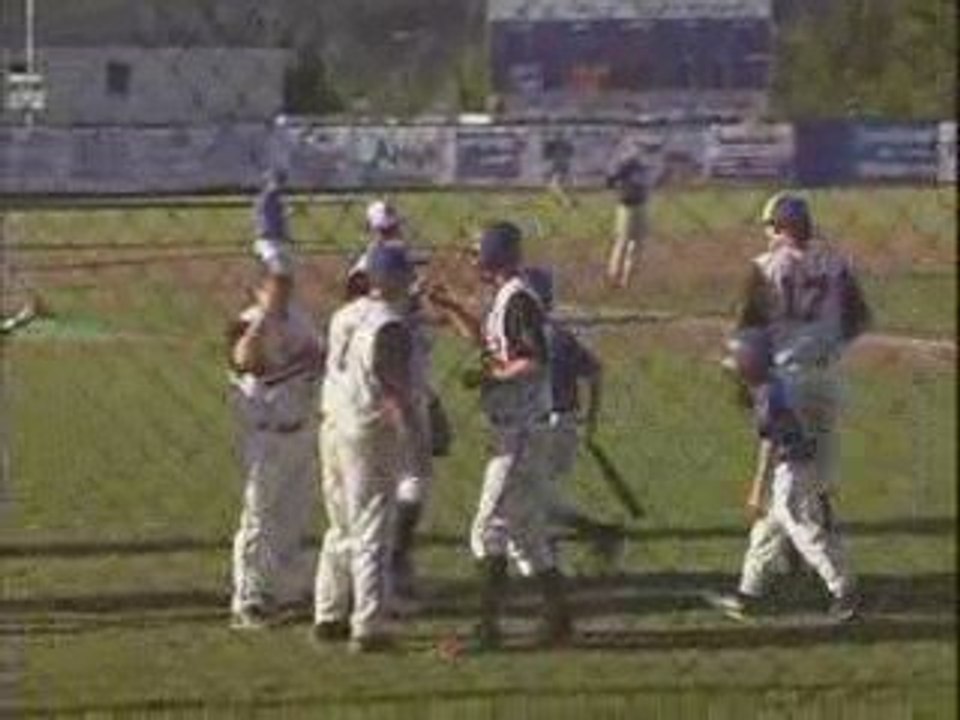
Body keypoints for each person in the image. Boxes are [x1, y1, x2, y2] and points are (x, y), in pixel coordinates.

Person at [712, 193, 872, 622]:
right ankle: (751, 592)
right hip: (828, 380)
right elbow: (858, 320)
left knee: (788, 499)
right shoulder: (836, 264)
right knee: (792, 491)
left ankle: (844, 588)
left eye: (769, 227)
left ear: (780, 228)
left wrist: (743, 371)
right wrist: (822, 341)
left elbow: (745, 336)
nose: (766, 235)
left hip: (787, 385)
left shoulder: (765, 268)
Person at [427, 222, 573, 650]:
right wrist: (452, 307)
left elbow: (533, 361)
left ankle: (486, 630)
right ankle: (559, 619)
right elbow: (490, 344)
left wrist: (491, 375)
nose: (472, 259)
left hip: (522, 430)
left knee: (487, 530)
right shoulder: (506, 298)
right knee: (525, 533)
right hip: (518, 427)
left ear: (492, 254)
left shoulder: (519, 299)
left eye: (476, 253)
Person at [312, 243, 421, 653]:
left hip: (333, 421)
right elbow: (393, 389)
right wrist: (412, 437)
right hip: (368, 429)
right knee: (373, 524)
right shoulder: (389, 324)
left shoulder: (345, 314)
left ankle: (328, 612)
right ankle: (369, 623)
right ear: (392, 279)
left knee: (340, 522)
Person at [711, 328, 859, 623]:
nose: (733, 371)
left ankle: (844, 592)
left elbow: (770, 445)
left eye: (737, 364)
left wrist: (757, 490)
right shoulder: (774, 385)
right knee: (766, 532)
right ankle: (749, 595)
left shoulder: (770, 395)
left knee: (804, 530)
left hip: (793, 471)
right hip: (798, 465)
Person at [227, 254, 323, 629]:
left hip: (300, 430)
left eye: (286, 285)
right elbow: (246, 360)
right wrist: (265, 318)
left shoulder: (300, 320)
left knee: (293, 516)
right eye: (274, 286)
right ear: (259, 289)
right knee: (259, 517)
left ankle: (284, 590)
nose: (283, 292)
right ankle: (249, 596)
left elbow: (320, 358)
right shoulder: (246, 323)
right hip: (265, 434)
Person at [515, 266, 624, 573]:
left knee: (533, 499)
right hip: (557, 424)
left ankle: (551, 567)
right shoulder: (555, 336)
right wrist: (590, 422)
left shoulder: (547, 337)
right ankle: (598, 535)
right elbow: (595, 373)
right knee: (535, 497)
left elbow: (595, 372)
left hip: (554, 425)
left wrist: (589, 421)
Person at [605, 148, 649, 289]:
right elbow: (610, 181)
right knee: (623, 242)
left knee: (635, 244)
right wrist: (619, 185)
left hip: (640, 205)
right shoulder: (626, 167)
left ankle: (626, 279)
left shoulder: (641, 167)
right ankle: (613, 274)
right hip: (627, 207)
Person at [252, 169, 293, 265]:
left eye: (282, 182)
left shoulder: (278, 198)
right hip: (267, 241)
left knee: (286, 265)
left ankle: (264, 260)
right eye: (279, 181)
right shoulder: (267, 198)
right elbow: (262, 219)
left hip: (276, 240)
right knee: (277, 266)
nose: (282, 185)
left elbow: (283, 220)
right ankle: (263, 257)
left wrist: (287, 235)